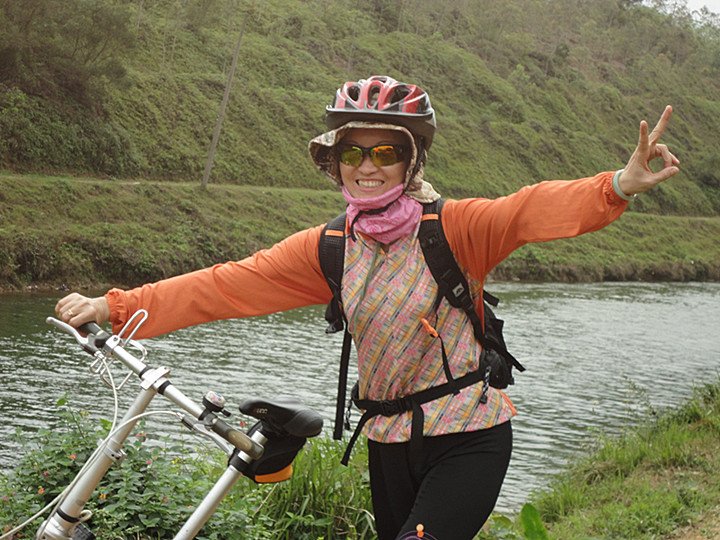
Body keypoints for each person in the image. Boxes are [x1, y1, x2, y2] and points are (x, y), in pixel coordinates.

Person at [56, 75, 680, 540]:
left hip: (469, 435)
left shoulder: (454, 229)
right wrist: (114, 306)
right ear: (334, 163)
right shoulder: (329, 247)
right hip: (386, 441)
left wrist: (616, 185)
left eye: (386, 153)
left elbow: (528, 209)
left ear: (411, 161)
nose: (367, 166)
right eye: (353, 152)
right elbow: (226, 285)